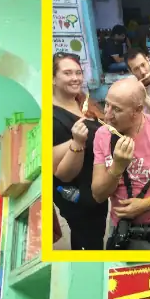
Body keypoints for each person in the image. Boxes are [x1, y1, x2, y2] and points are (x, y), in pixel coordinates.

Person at [91, 76, 150, 250]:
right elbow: (98, 195)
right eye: (107, 104)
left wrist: (145, 205)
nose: (107, 114)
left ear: (137, 110)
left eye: (117, 109)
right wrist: (117, 167)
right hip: (119, 227)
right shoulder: (102, 135)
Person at [51, 52, 107, 250]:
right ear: (53, 79)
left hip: (96, 188)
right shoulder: (53, 117)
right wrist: (77, 142)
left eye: (78, 72)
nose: (75, 78)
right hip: (77, 196)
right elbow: (63, 174)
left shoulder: (82, 102)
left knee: (93, 236)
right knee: (88, 239)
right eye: (67, 73)